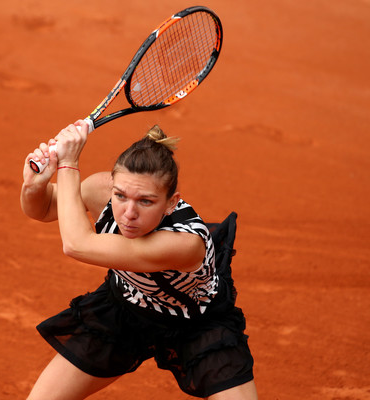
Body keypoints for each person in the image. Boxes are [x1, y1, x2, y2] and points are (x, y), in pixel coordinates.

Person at [20, 120, 257, 400]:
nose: (128, 213)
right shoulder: (101, 190)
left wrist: (69, 164)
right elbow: (45, 207)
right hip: (126, 309)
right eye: (120, 195)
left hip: (197, 324)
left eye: (145, 201)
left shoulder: (184, 243)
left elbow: (76, 244)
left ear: (171, 202)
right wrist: (34, 183)